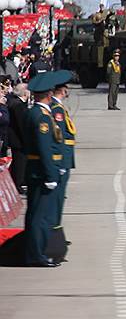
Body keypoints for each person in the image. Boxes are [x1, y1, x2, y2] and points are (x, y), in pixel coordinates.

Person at [23, 70, 68, 267]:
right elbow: (44, 148)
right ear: (49, 95)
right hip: (41, 171)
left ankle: (33, 252)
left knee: (35, 213)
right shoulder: (41, 117)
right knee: (40, 216)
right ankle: (37, 254)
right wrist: (51, 173)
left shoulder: (33, 112)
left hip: (35, 168)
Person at [50, 70, 75, 228]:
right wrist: (59, 163)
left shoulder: (59, 107)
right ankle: (54, 230)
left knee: (60, 196)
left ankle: (55, 229)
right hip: (61, 159)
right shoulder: (57, 110)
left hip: (65, 157)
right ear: (63, 90)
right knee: (57, 197)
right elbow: (58, 137)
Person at [6, 82, 29, 192]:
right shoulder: (18, 105)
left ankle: (19, 182)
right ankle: (18, 184)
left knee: (18, 162)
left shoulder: (18, 103)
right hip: (18, 140)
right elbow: (21, 125)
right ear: (25, 92)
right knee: (20, 163)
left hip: (17, 139)